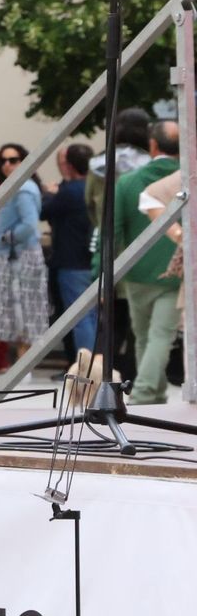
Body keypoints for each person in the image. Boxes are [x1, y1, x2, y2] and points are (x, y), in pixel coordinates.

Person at [0, 143, 50, 380]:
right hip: (17, 256)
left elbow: (28, 225)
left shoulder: (23, 188)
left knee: (0, 310)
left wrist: (4, 238)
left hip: (14, 257)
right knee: (22, 311)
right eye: (3, 160)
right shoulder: (19, 186)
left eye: (13, 159)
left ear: (24, 161)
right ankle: (20, 368)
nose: (7, 164)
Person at [114, 120, 182, 404]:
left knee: (142, 336)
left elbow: (114, 230)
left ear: (152, 145)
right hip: (174, 271)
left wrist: (107, 273)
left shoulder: (127, 181)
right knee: (161, 336)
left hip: (135, 270)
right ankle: (151, 391)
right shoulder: (184, 178)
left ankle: (148, 392)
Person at [44, 143, 99, 359]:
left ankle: (85, 368)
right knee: (92, 316)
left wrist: (50, 194)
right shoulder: (94, 187)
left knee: (80, 317)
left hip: (71, 263)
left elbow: (44, 210)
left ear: (69, 166)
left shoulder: (68, 191)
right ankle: (97, 363)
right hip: (92, 260)